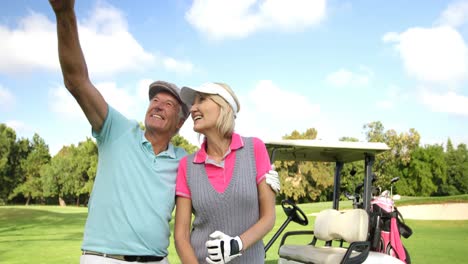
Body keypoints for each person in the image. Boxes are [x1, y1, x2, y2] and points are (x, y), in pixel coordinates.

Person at [48, 0, 189, 263]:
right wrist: (64, 13)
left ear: (179, 123)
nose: (158, 105)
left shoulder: (184, 161)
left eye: (168, 104)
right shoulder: (119, 131)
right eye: (154, 100)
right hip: (104, 258)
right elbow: (76, 81)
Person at [174, 82, 278, 264]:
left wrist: (237, 244)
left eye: (202, 100)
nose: (193, 108)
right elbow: (181, 236)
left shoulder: (255, 149)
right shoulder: (187, 165)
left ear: (224, 106)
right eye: (193, 103)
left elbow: (268, 217)